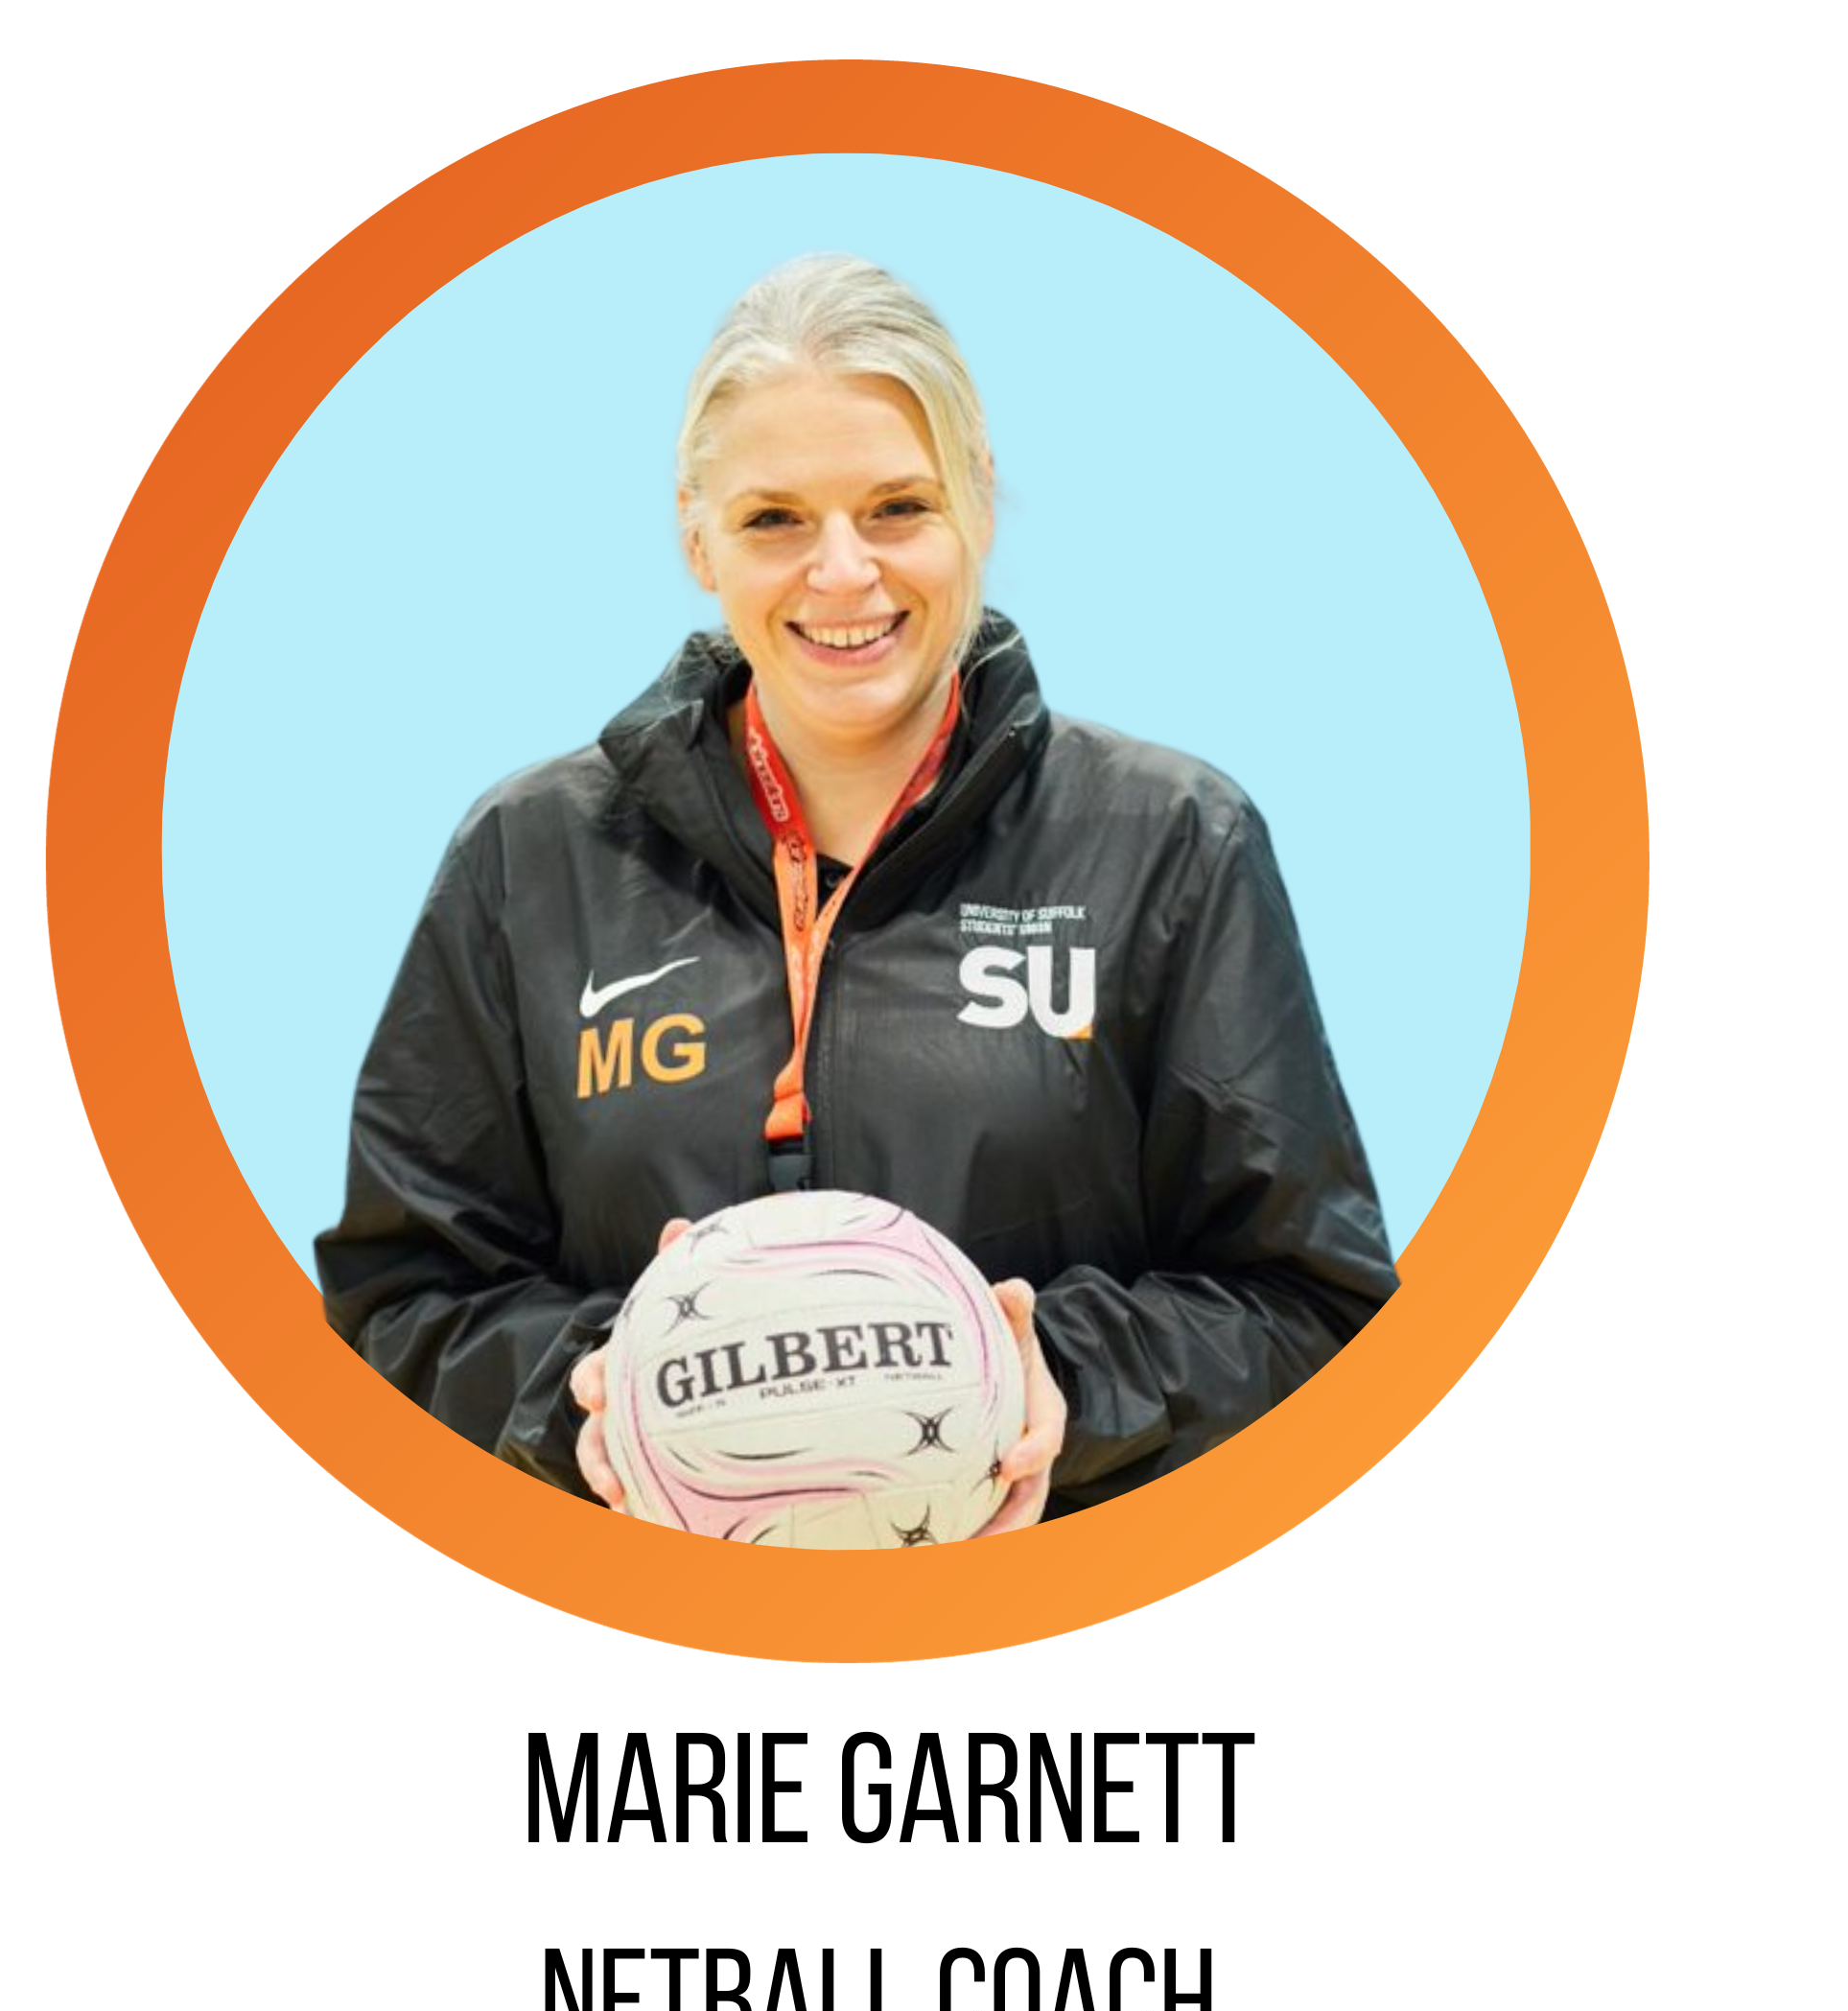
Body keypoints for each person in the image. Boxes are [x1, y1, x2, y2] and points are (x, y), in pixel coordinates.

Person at [316, 254, 1398, 1532]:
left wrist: (1055, 1377)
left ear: (977, 506)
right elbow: (399, 1299)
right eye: (775, 519)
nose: (842, 573)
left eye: (895, 507)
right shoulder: (528, 859)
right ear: (692, 531)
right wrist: (594, 1400)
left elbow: (1312, 1308)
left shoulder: (1166, 841)